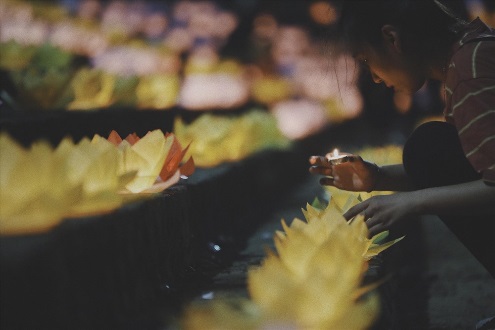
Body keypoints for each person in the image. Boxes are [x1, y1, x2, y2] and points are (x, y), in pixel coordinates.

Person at [308, 0, 495, 282]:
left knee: (428, 145)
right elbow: (472, 168)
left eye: (367, 61)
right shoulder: (467, 57)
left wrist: (413, 202)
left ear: (392, 38)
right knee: (428, 151)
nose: (374, 78)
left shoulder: (472, 68)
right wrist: (377, 178)